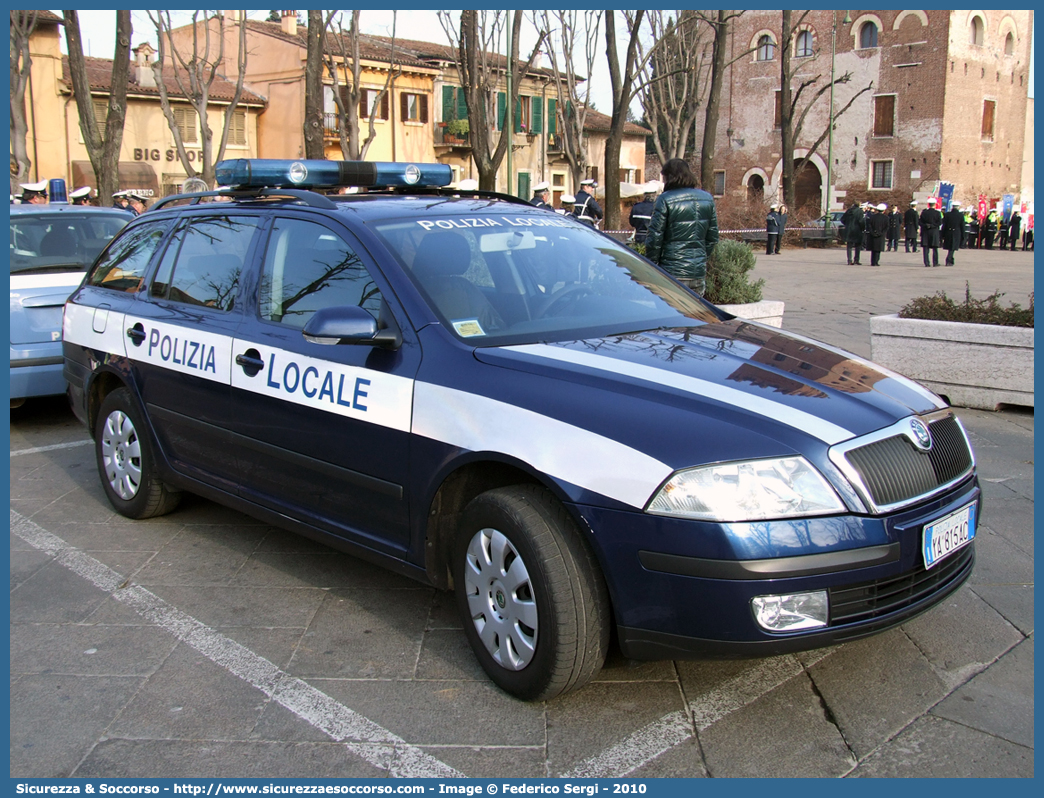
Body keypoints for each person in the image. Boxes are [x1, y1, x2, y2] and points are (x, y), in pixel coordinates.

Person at [643, 157, 719, 296]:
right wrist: (699, 258)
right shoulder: (707, 199)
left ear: (669, 177)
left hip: (671, 270)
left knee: (670, 314)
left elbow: (655, 238)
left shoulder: (665, 199)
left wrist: (652, 266)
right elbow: (712, 237)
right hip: (697, 271)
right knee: (695, 315)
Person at [919, 197, 943, 267]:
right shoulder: (937, 213)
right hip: (934, 232)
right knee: (935, 248)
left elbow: (920, 222)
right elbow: (939, 222)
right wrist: (932, 225)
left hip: (925, 232)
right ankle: (935, 262)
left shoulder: (924, 212)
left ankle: (927, 263)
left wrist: (926, 225)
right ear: (935, 205)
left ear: (929, 205)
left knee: (926, 248)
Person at [942, 201, 966, 266]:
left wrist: (942, 234)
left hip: (948, 232)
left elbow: (944, 225)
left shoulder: (947, 214)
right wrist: (963, 235)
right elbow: (962, 226)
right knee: (953, 247)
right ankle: (949, 259)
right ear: (958, 207)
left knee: (951, 247)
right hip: (956, 232)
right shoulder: (960, 215)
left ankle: (951, 259)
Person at [841, 200, 865, 265]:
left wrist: (847, 224)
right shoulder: (860, 212)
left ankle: (849, 260)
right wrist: (863, 228)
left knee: (849, 246)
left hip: (849, 230)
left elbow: (842, 219)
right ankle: (856, 259)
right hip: (857, 230)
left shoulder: (848, 211)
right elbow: (861, 221)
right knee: (858, 245)